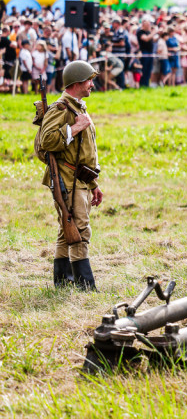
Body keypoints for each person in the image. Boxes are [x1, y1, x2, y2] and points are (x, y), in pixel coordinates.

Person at [36, 60, 103, 290]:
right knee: (80, 231)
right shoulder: (61, 108)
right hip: (68, 180)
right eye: (89, 80)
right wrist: (75, 128)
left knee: (68, 231)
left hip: (81, 179)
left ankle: (63, 283)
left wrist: (94, 184)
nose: (92, 84)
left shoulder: (78, 107)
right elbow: (47, 142)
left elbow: (83, 153)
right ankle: (85, 287)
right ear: (76, 82)